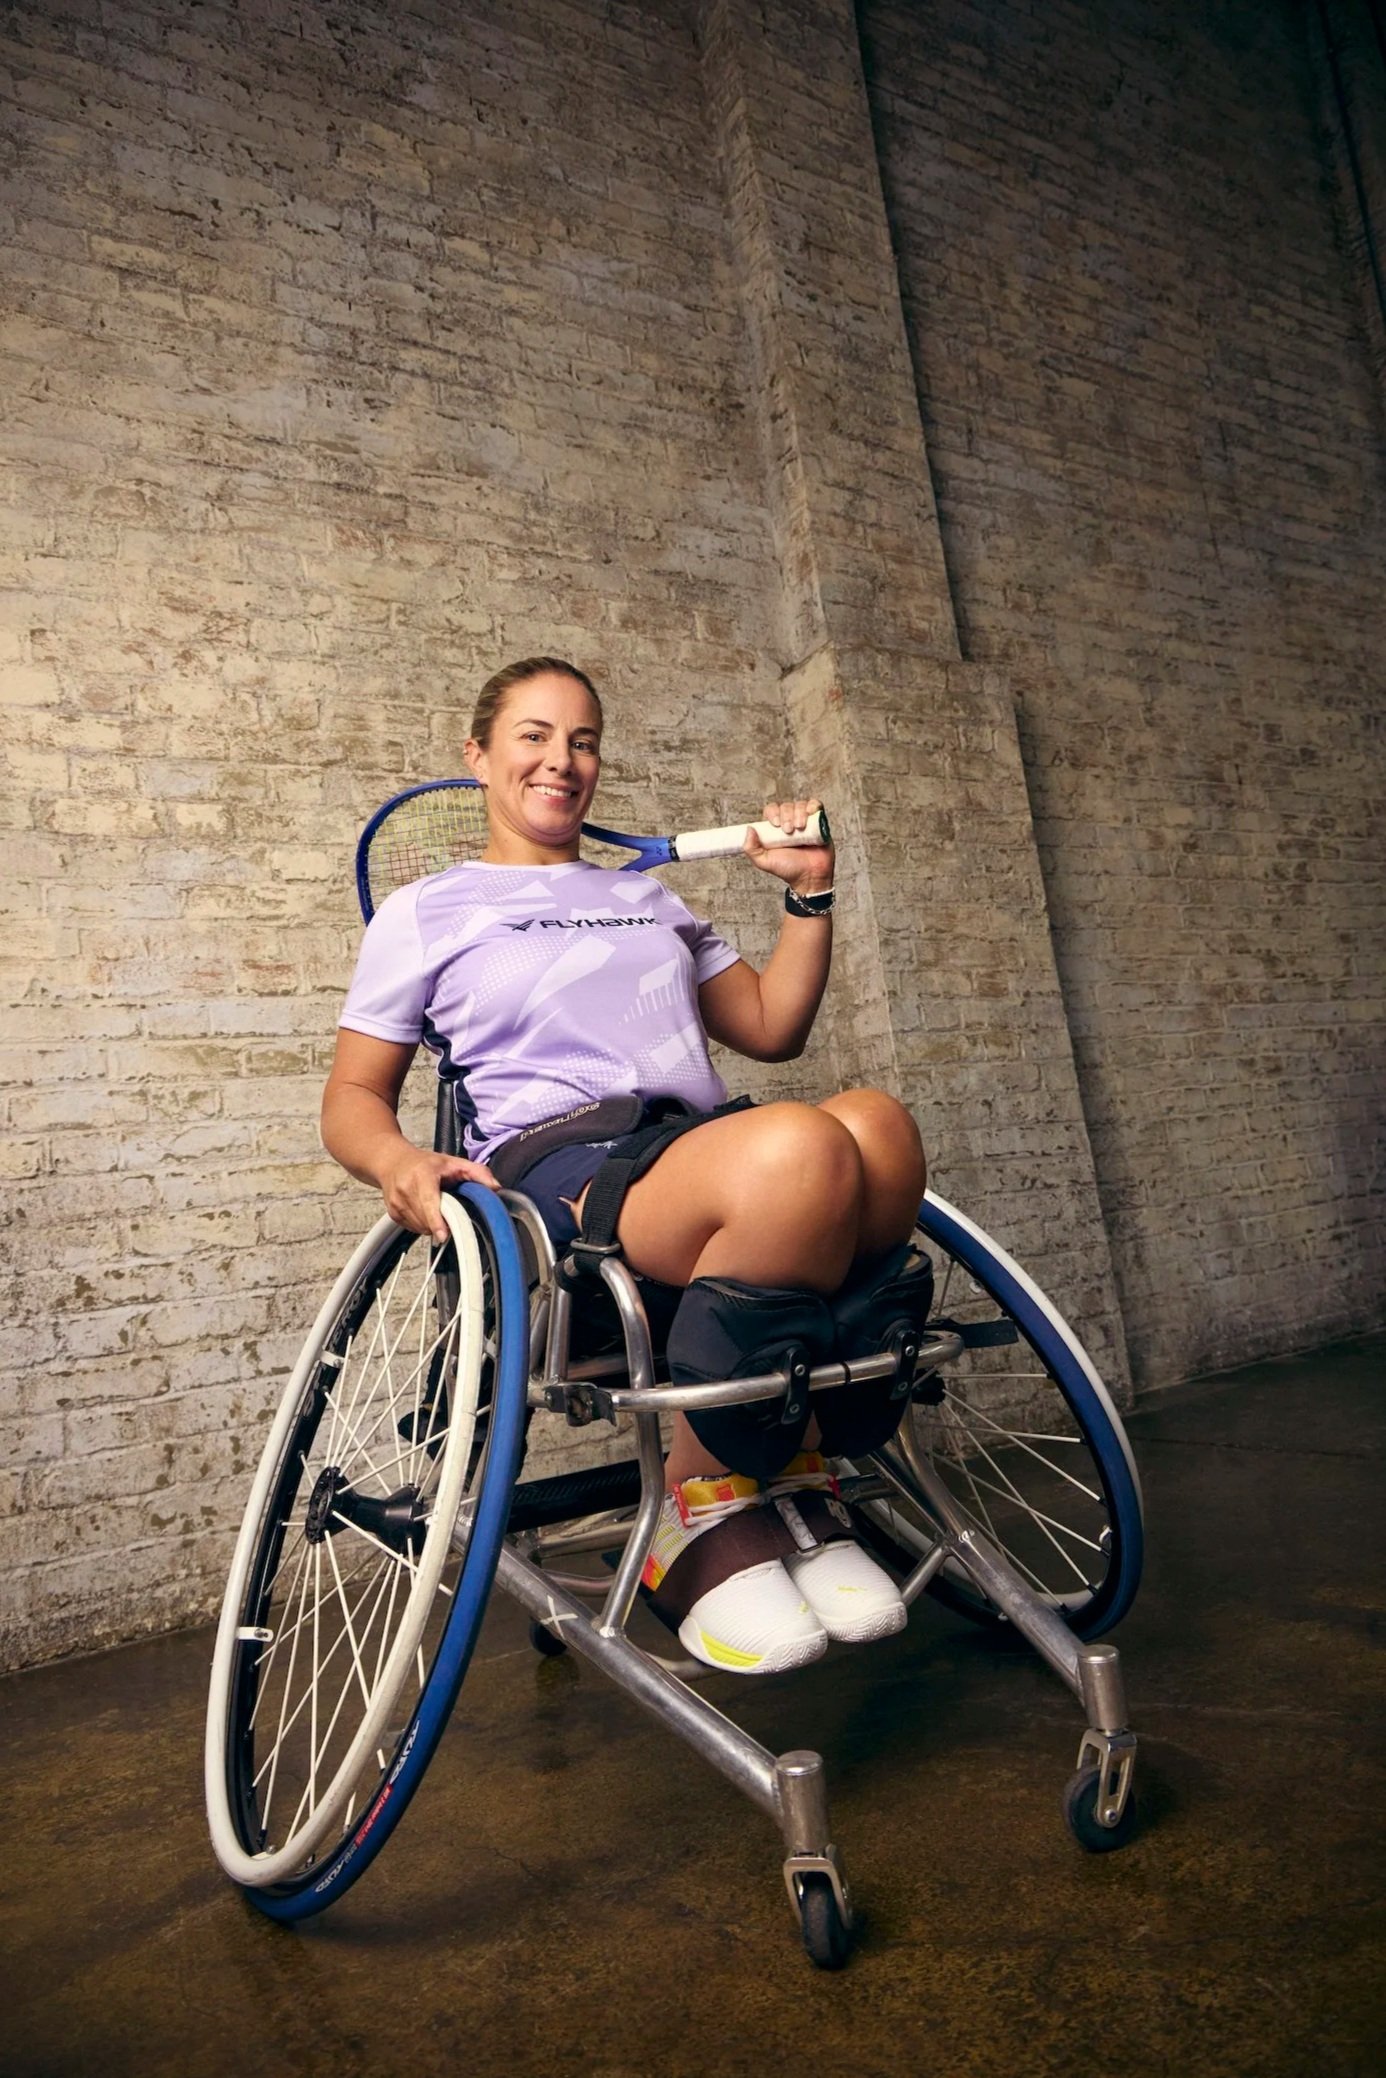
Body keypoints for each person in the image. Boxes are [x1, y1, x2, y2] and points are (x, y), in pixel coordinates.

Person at [323, 657, 932, 1676]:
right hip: (562, 1165)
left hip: (694, 1145)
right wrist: (397, 1160)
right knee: (803, 1146)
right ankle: (697, 1499)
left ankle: (797, 1463)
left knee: (877, 1125)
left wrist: (810, 893)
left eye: (583, 740)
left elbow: (772, 1028)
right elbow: (351, 1095)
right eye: (533, 735)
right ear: (478, 754)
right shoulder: (425, 911)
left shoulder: (647, 896)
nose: (560, 760)